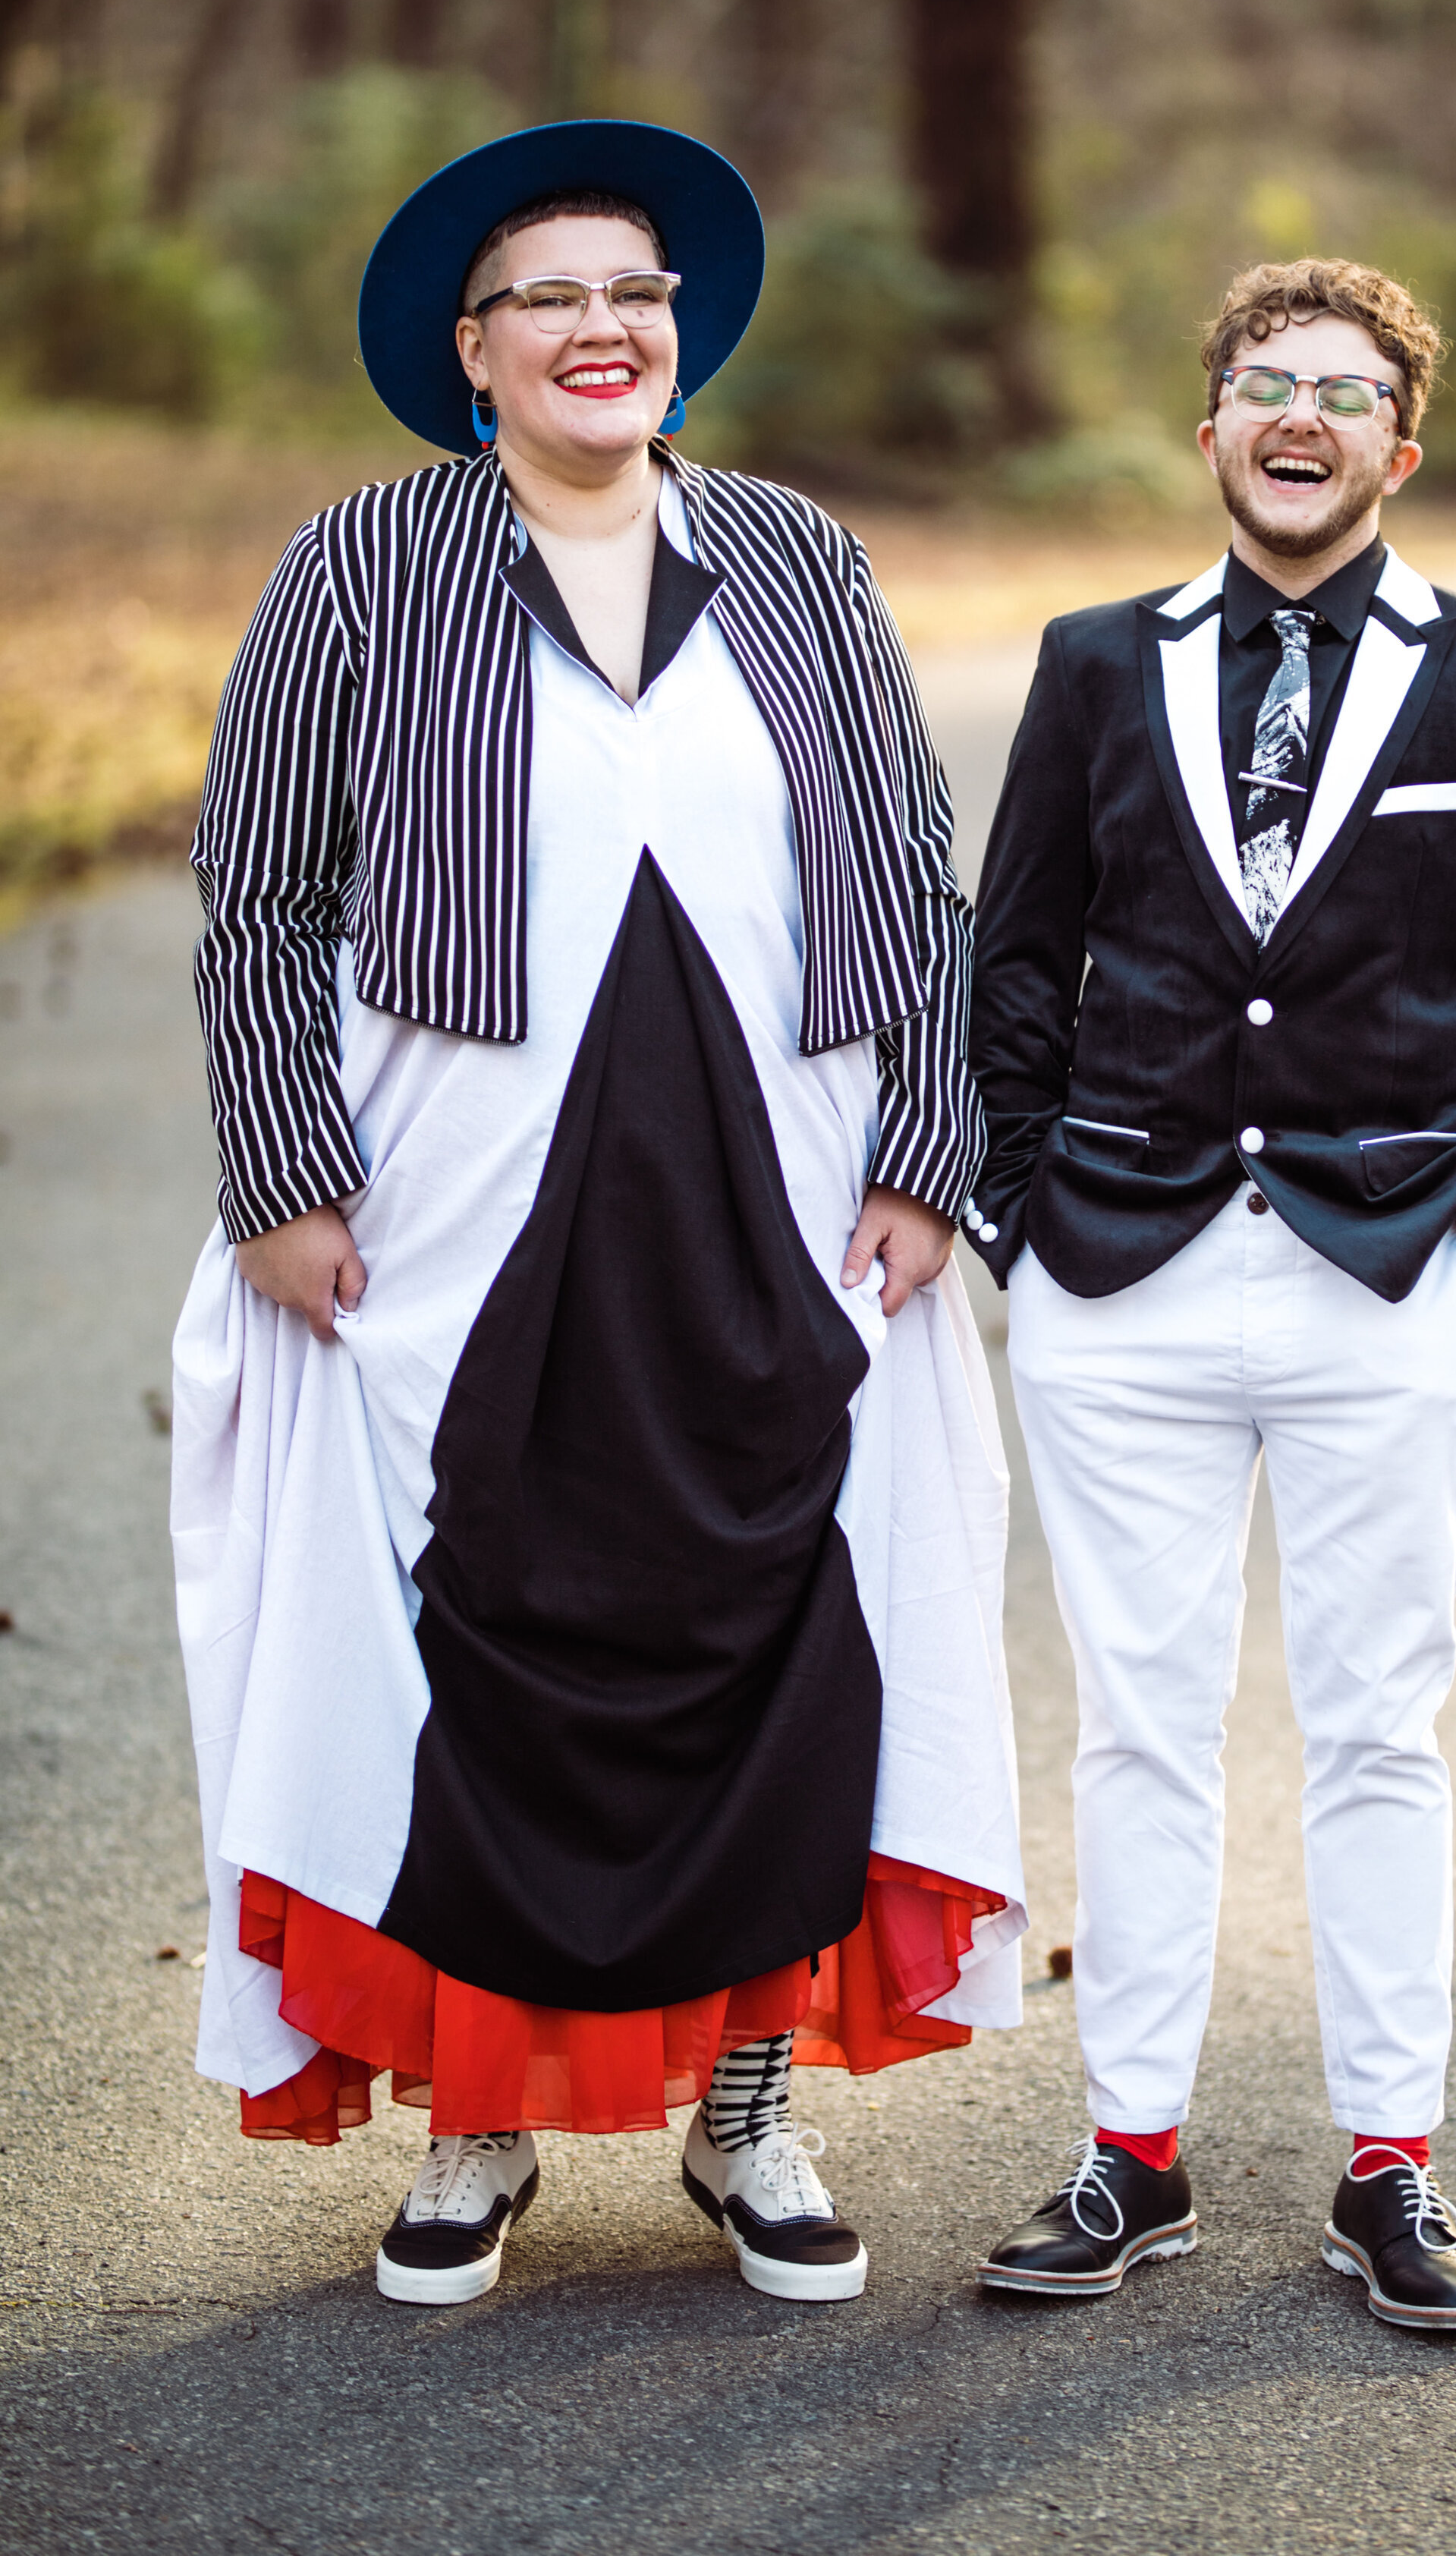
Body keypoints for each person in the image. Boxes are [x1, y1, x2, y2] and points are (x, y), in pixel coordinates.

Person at [171, 120, 1024, 2309]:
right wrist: (285, 1176)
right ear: (473, 353)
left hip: (785, 1187)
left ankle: (747, 2109)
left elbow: (921, 880)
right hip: (456, 1210)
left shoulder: (801, 560)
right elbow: (256, 899)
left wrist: (930, 1152)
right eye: (548, 296)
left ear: (679, 340)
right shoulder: (356, 572)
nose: (599, 328)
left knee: (775, 1617)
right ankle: (477, 2120)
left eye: (633, 294)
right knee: (475, 1620)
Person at [964, 256, 1456, 2331]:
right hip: (1116, 1274)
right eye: (1260, 381)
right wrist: (1012, 1215)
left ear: (1395, 449)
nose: (1295, 412)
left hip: (1384, 1270)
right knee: (1136, 1733)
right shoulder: (1091, 662)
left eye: (1338, 388)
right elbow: (1013, 964)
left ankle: (1388, 2169)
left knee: (1374, 1729)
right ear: (1212, 430)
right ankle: (1126, 2153)